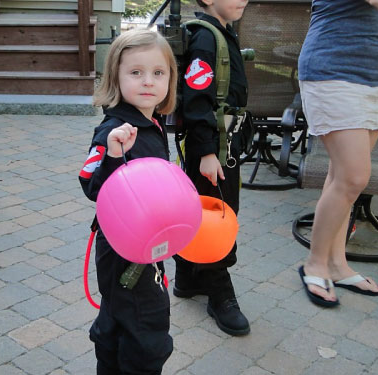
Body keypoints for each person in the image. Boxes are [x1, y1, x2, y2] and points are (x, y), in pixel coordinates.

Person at [79, 28, 177, 374]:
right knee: (145, 327)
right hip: (125, 253)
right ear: (116, 78)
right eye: (135, 73)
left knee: (119, 318)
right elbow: (91, 183)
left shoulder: (152, 122)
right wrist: (113, 154)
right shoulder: (116, 130)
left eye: (158, 73)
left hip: (144, 244)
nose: (148, 81)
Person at [298, 0, 378, 307]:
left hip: (370, 79)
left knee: (342, 177)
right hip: (332, 72)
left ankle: (337, 264)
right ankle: (314, 264)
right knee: (354, 177)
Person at [173, 0, 250, 336]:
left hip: (221, 144)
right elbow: (197, 96)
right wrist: (206, 151)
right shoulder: (206, 38)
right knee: (219, 214)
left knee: (200, 209)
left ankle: (188, 277)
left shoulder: (222, 32)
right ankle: (219, 291)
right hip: (212, 149)